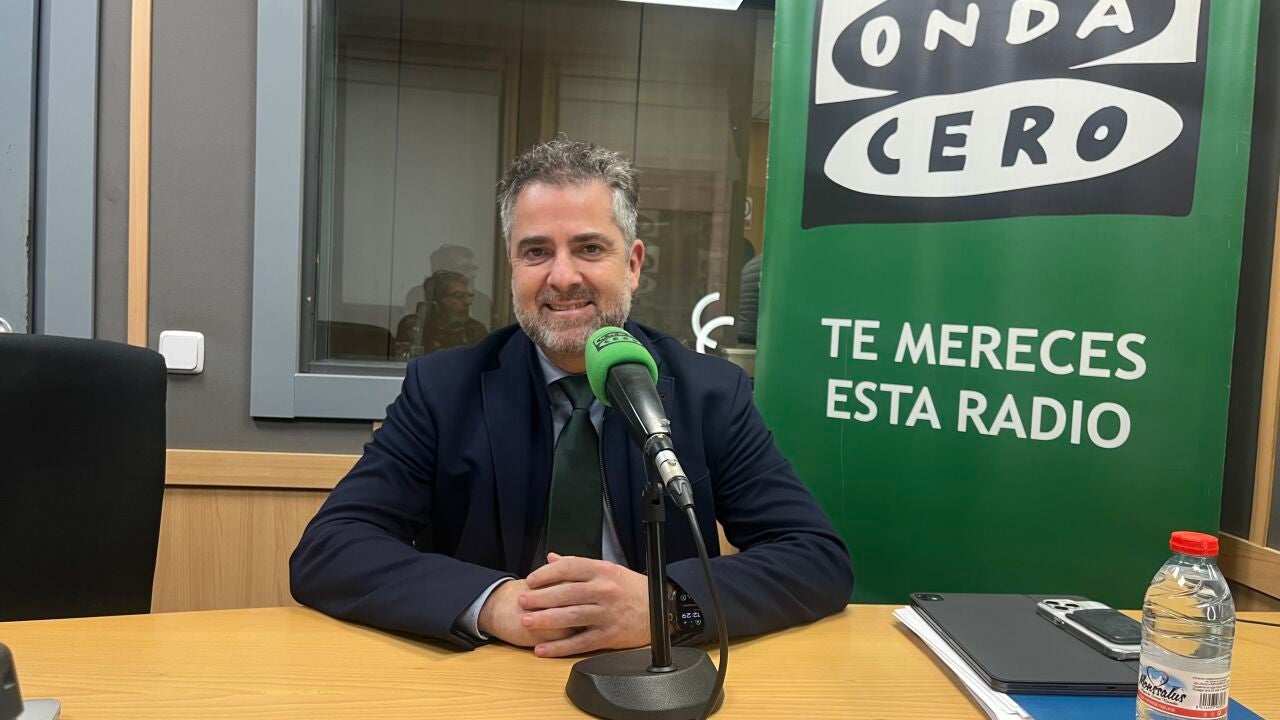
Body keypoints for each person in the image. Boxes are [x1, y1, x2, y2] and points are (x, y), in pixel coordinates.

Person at [290, 137, 853, 657]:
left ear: (633, 265)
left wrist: (665, 605)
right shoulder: (442, 390)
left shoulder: (711, 393)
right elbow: (330, 548)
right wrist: (497, 603)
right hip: (492, 676)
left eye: (589, 248)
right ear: (512, 268)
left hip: (654, 674)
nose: (562, 277)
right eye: (536, 252)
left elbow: (815, 557)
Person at [395, 270, 488, 357]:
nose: (467, 302)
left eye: (469, 296)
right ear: (436, 301)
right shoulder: (414, 326)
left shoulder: (476, 329)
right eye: (459, 296)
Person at [402, 244, 494, 327]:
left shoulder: (483, 301)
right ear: (443, 271)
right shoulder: (418, 294)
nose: (473, 275)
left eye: (473, 269)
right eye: (464, 268)